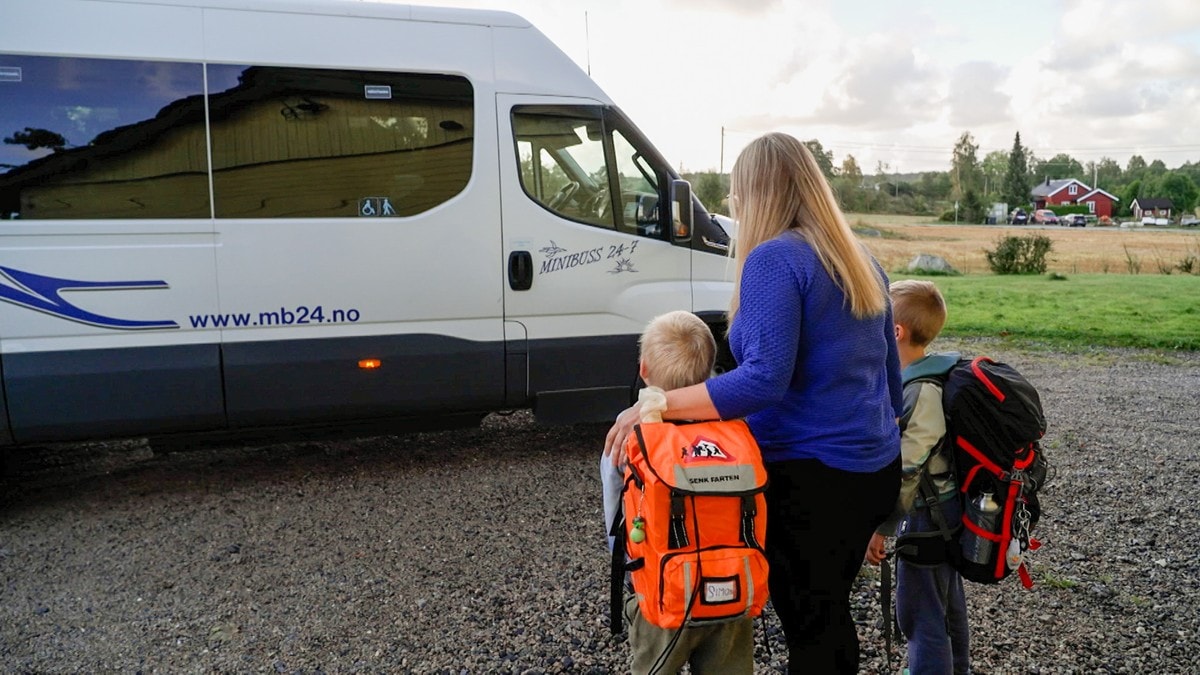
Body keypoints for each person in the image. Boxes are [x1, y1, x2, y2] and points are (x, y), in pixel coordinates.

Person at [604, 132, 902, 673]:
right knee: (829, 613)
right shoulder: (861, 260)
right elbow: (891, 378)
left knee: (811, 624)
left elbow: (764, 382)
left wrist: (657, 403)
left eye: (738, 195)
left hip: (815, 481)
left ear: (754, 195)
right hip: (873, 471)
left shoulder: (773, 260)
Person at [600, 309, 755, 675]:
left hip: (661, 587)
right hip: (732, 585)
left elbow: (614, 508)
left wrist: (628, 568)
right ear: (710, 372)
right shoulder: (735, 429)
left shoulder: (633, 433)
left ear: (643, 370)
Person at [865, 279, 969, 674]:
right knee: (945, 607)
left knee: (920, 616)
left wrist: (883, 526)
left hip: (929, 517)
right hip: (945, 512)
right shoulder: (932, 375)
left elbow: (909, 467)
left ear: (895, 332)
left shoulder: (922, 389)